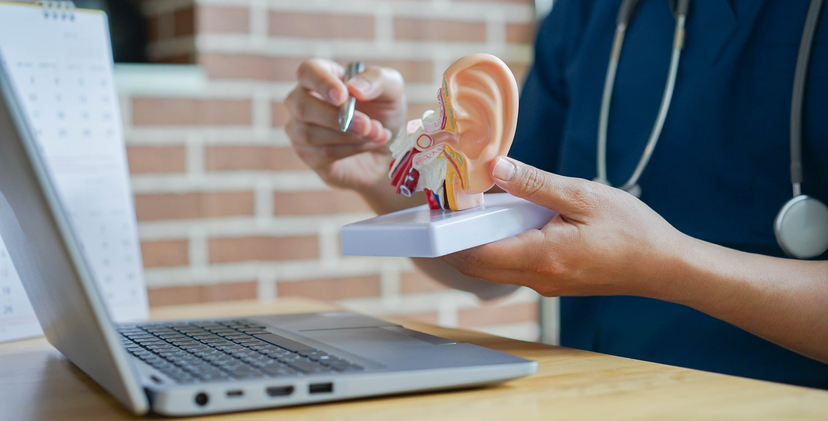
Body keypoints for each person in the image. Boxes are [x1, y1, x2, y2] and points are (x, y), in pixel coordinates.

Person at [284, 0, 828, 389]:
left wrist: (669, 266)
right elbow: (498, 254)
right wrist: (387, 169)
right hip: (593, 395)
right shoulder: (586, 15)